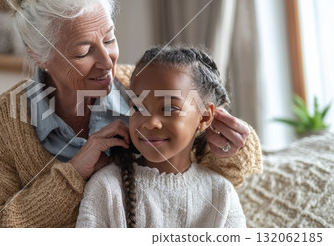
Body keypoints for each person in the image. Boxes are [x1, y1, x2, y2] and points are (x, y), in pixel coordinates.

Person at [0, 0, 261, 228]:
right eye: (83, 52)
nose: (107, 62)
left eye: (109, 39)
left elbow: (209, 179)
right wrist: (73, 175)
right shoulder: (11, 116)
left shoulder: (141, 84)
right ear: (39, 56)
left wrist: (234, 148)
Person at [76, 46, 246, 228]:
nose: (150, 123)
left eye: (169, 108)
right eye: (138, 107)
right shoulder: (106, 188)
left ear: (204, 117)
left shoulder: (221, 194)